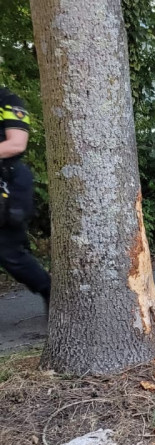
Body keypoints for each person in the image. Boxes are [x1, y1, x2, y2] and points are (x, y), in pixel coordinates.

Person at [0, 87, 50, 309]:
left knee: (9, 252)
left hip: (8, 184)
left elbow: (17, 143)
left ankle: (48, 289)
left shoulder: (8, 101)